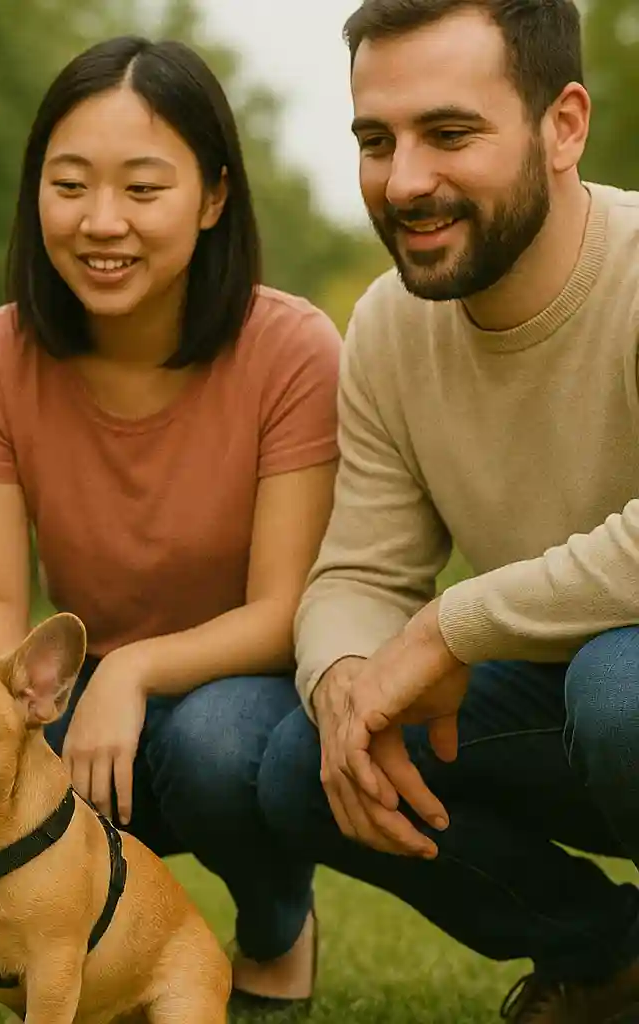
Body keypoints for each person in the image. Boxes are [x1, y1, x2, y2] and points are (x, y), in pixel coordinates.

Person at [255, 1, 639, 1021]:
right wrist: (346, 681)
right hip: (564, 703)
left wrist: (449, 622)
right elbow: (358, 571)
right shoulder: (388, 325)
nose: (405, 179)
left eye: (450, 133)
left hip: (620, 694)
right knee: (305, 760)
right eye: (376, 141)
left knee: (618, 685)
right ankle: (611, 961)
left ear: (564, 125)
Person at [0, 34, 339, 1011]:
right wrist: (34, 706)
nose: (100, 221)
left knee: (213, 743)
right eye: (69, 184)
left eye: (143, 189)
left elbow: (286, 606)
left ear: (213, 198)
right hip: (67, 701)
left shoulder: (291, 350)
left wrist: (136, 668)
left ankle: (278, 925)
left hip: (238, 703)